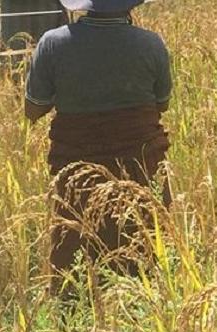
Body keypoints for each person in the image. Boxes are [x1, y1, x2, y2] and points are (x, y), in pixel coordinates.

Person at [24, 0, 172, 300]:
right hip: (139, 170)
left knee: (74, 268)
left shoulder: (53, 44)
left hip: (78, 177)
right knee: (142, 266)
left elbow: (33, 109)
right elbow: (162, 103)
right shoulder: (151, 43)